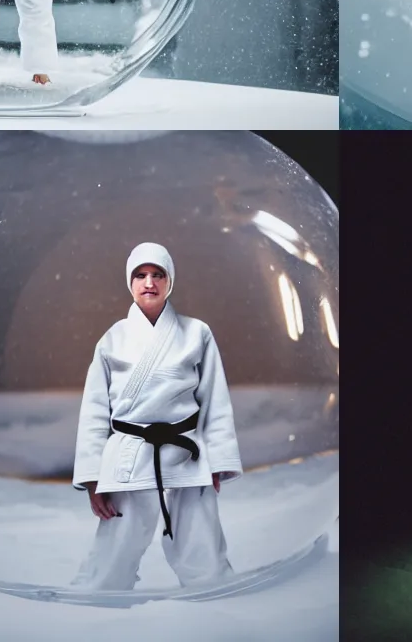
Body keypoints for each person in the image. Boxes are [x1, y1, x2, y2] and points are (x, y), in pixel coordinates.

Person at [71, 242, 241, 592]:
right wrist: (92, 478)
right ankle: (98, 603)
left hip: (185, 449)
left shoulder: (197, 333)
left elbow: (215, 400)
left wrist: (218, 460)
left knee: (201, 539)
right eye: (140, 275)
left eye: (157, 274)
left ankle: (215, 604)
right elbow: (94, 412)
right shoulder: (112, 339)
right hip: (129, 451)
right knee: (118, 541)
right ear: (130, 283)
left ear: (169, 281)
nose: (149, 282)